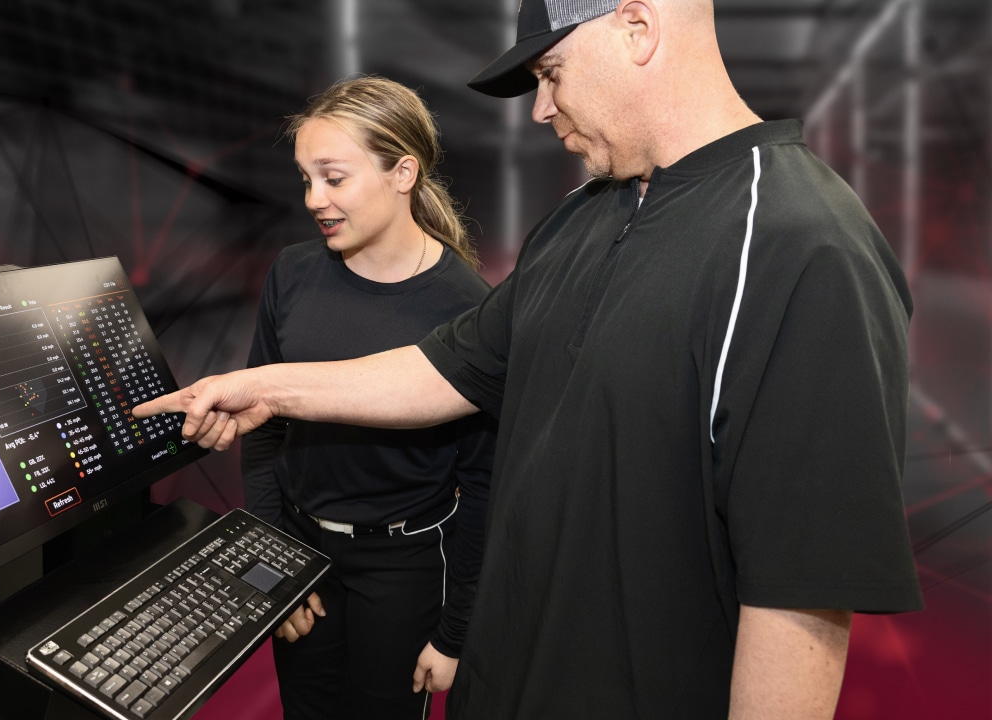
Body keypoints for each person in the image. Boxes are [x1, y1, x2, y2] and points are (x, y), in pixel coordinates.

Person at [136, 1, 924, 718]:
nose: (543, 108)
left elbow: (803, 602)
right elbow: (443, 370)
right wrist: (263, 388)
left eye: (551, 73)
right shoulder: (584, 215)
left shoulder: (804, 245)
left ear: (637, 29)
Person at [241, 76, 496, 719]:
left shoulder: (467, 307)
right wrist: (276, 570)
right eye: (305, 179)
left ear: (403, 172)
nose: (313, 199)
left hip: (407, 567)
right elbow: (263, 429)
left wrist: (454, 629)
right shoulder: (292, 273)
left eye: (333, 177)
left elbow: (487, 483)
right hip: (303, 554)